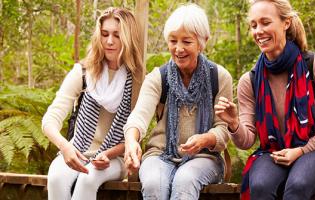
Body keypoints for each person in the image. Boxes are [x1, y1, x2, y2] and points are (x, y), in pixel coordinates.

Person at [215, 0, 315, 199]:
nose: (258, 31)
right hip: (273, 151)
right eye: (254, 25)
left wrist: (300, 151)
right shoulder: (251, 81)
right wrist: (233, 123)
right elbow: (247, 141)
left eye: (266, 22)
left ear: (286, 23)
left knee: (298, 185)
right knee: (260, 186)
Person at [123, 3, 232, 200]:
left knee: (185, 181)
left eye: (187, 42)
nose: (178, 49)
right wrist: (131, 141)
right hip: (160, 154)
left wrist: (204, 139)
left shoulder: (220, 77)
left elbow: (223, 130)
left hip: (205, 157)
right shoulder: (159, 77)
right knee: (154, 185)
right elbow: (139, 116)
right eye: (173, 41)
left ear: (202, 41)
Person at [42, 7, 144, 200]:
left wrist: (108, 153)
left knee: (87, 180)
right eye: (105, 34)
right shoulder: (83, 73)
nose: (110, 41)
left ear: (128, 38)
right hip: (78, 150)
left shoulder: (138, 82)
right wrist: (65, 147)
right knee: (56, 178)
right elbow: (50, 119)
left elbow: (137, 134)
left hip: (114, 158)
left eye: (117, 35)